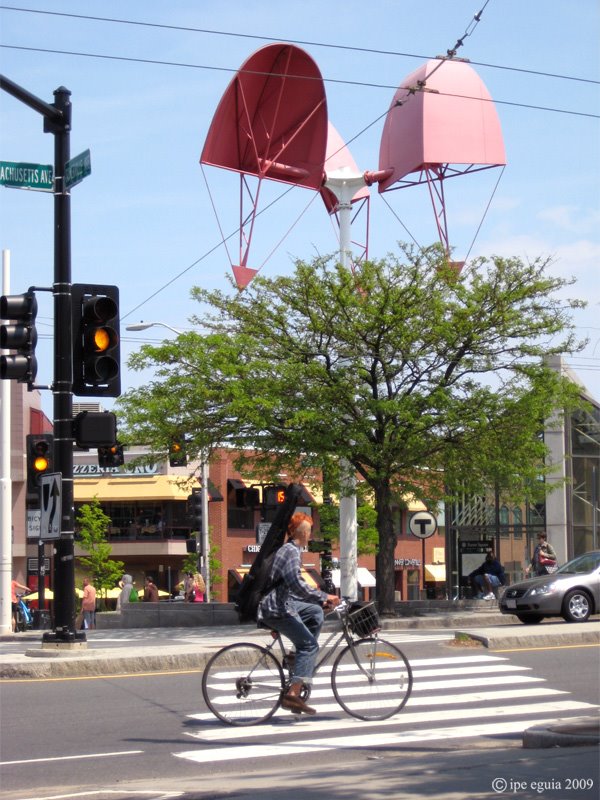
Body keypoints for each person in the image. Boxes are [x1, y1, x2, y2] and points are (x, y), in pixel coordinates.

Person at [258, 512, 340, 715]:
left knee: (315, 613)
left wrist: (319, 601)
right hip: (276, 607)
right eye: (309, 531)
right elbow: (295, 584)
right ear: (301, 532)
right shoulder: (291, 551)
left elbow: (298, 583)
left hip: (283, 603)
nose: (310, 535)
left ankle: (296, 659)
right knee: (310, 645)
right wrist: (323, 597)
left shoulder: (292, 550)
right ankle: (293, 695)